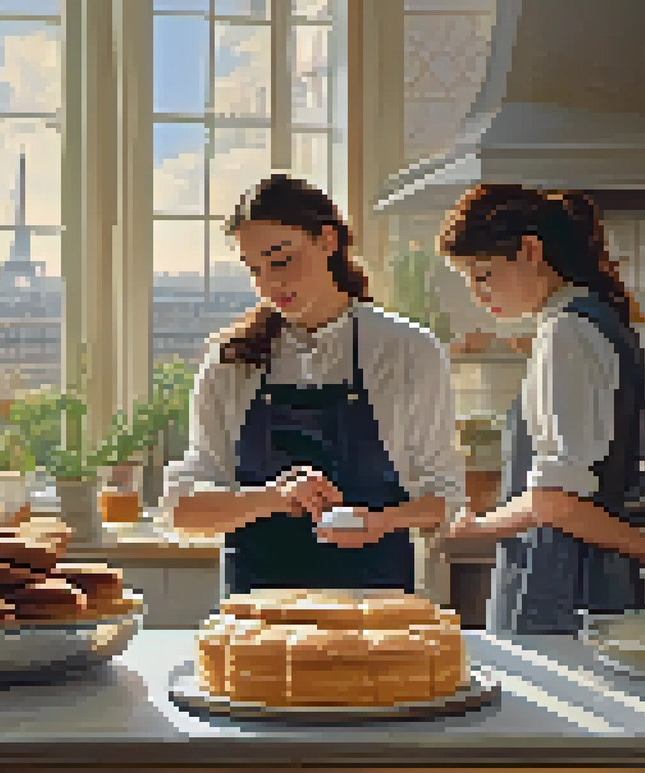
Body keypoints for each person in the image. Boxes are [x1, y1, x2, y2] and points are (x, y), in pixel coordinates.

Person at [439, 184, 645, 635]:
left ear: (530, 251)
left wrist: (477, 526)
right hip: (601, 579)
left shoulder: (566, 335)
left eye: (483, 275)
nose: (478, 294)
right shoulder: (603, 322)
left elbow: (556, 502)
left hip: (558, 583)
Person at [164, 174, 466, 595]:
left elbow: (445, 497)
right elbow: (183, 511)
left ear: (328, 241)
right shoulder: (230, 362)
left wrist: (380, 522)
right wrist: (272, 498)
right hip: (257, 612)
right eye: (254, 270)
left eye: (281, 261)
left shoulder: (408, 350)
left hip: (378, 609)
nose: (268, 285)